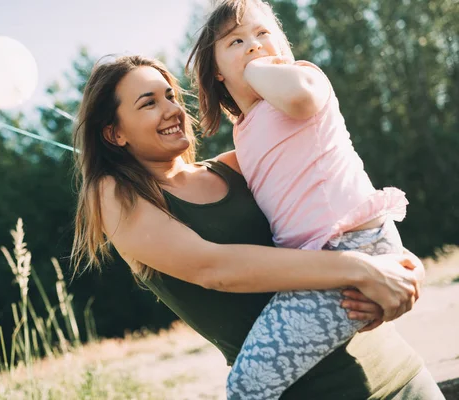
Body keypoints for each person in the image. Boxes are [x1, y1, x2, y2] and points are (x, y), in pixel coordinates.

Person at [71, 54, 441, 399]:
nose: (171, 109)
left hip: (401, 375)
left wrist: (401, 266)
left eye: (170, 95)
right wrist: (362, 269)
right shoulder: (114, 196)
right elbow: (214, 268)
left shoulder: (239, 163)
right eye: (148, 103)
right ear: (114, 134)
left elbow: (342, 207)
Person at [186, 1, 443, 398]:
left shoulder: (305, 78)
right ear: (217, 70)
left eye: (264, 34)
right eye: (237, 41)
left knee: (247, 385)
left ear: (285, 48)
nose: (254, 45)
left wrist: (257, 66)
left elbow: (301, 100)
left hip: (354, 244)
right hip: (322, 262)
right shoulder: (245, 130)